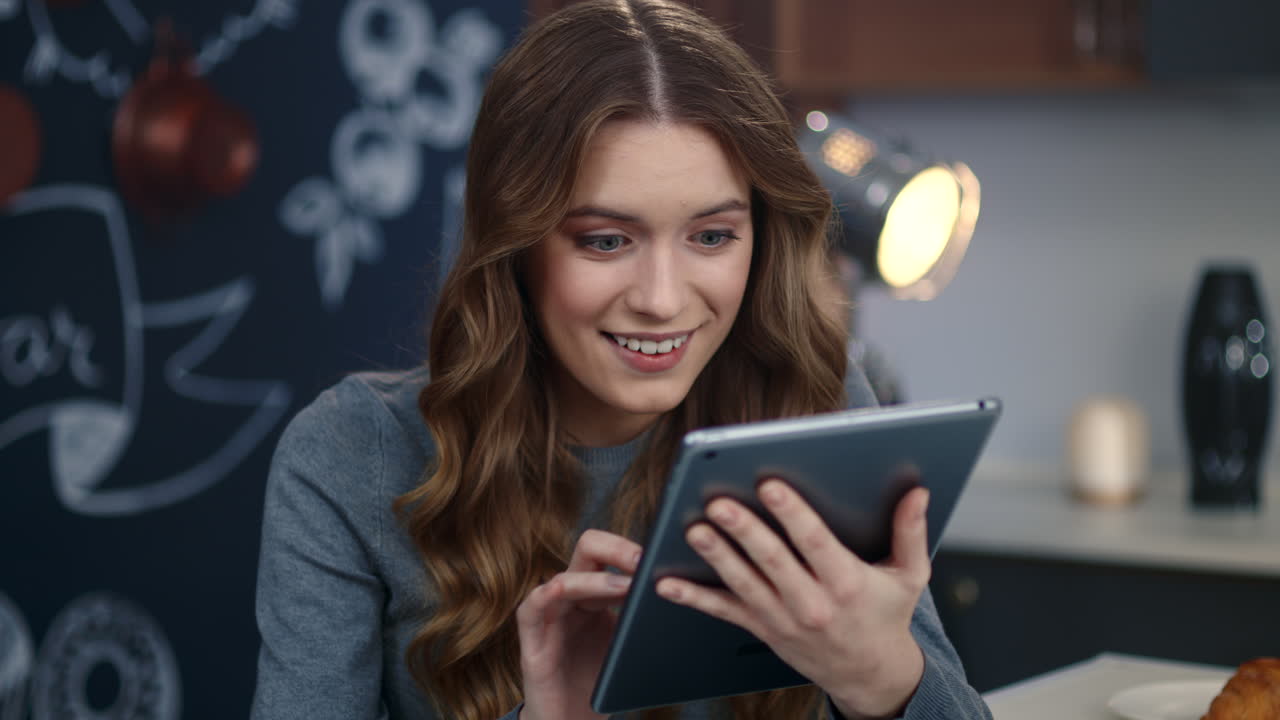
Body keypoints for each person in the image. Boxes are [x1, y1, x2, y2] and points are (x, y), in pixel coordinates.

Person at [250, 1, 993, 719]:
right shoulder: (352, 456)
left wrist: (883, 680)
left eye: (711, 237)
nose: (662, 301)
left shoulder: (816, 400)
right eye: (606, 241)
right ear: (515, 248)